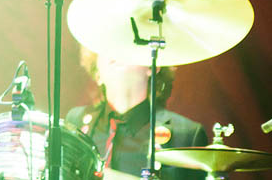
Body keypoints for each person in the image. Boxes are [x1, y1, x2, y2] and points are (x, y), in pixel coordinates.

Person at [66, 49, 207, 180]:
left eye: (125, 45)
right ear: (97, 75)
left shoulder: (187, 134)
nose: (115, 51)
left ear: (152, 67)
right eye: (106, 47)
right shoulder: (76, 120)